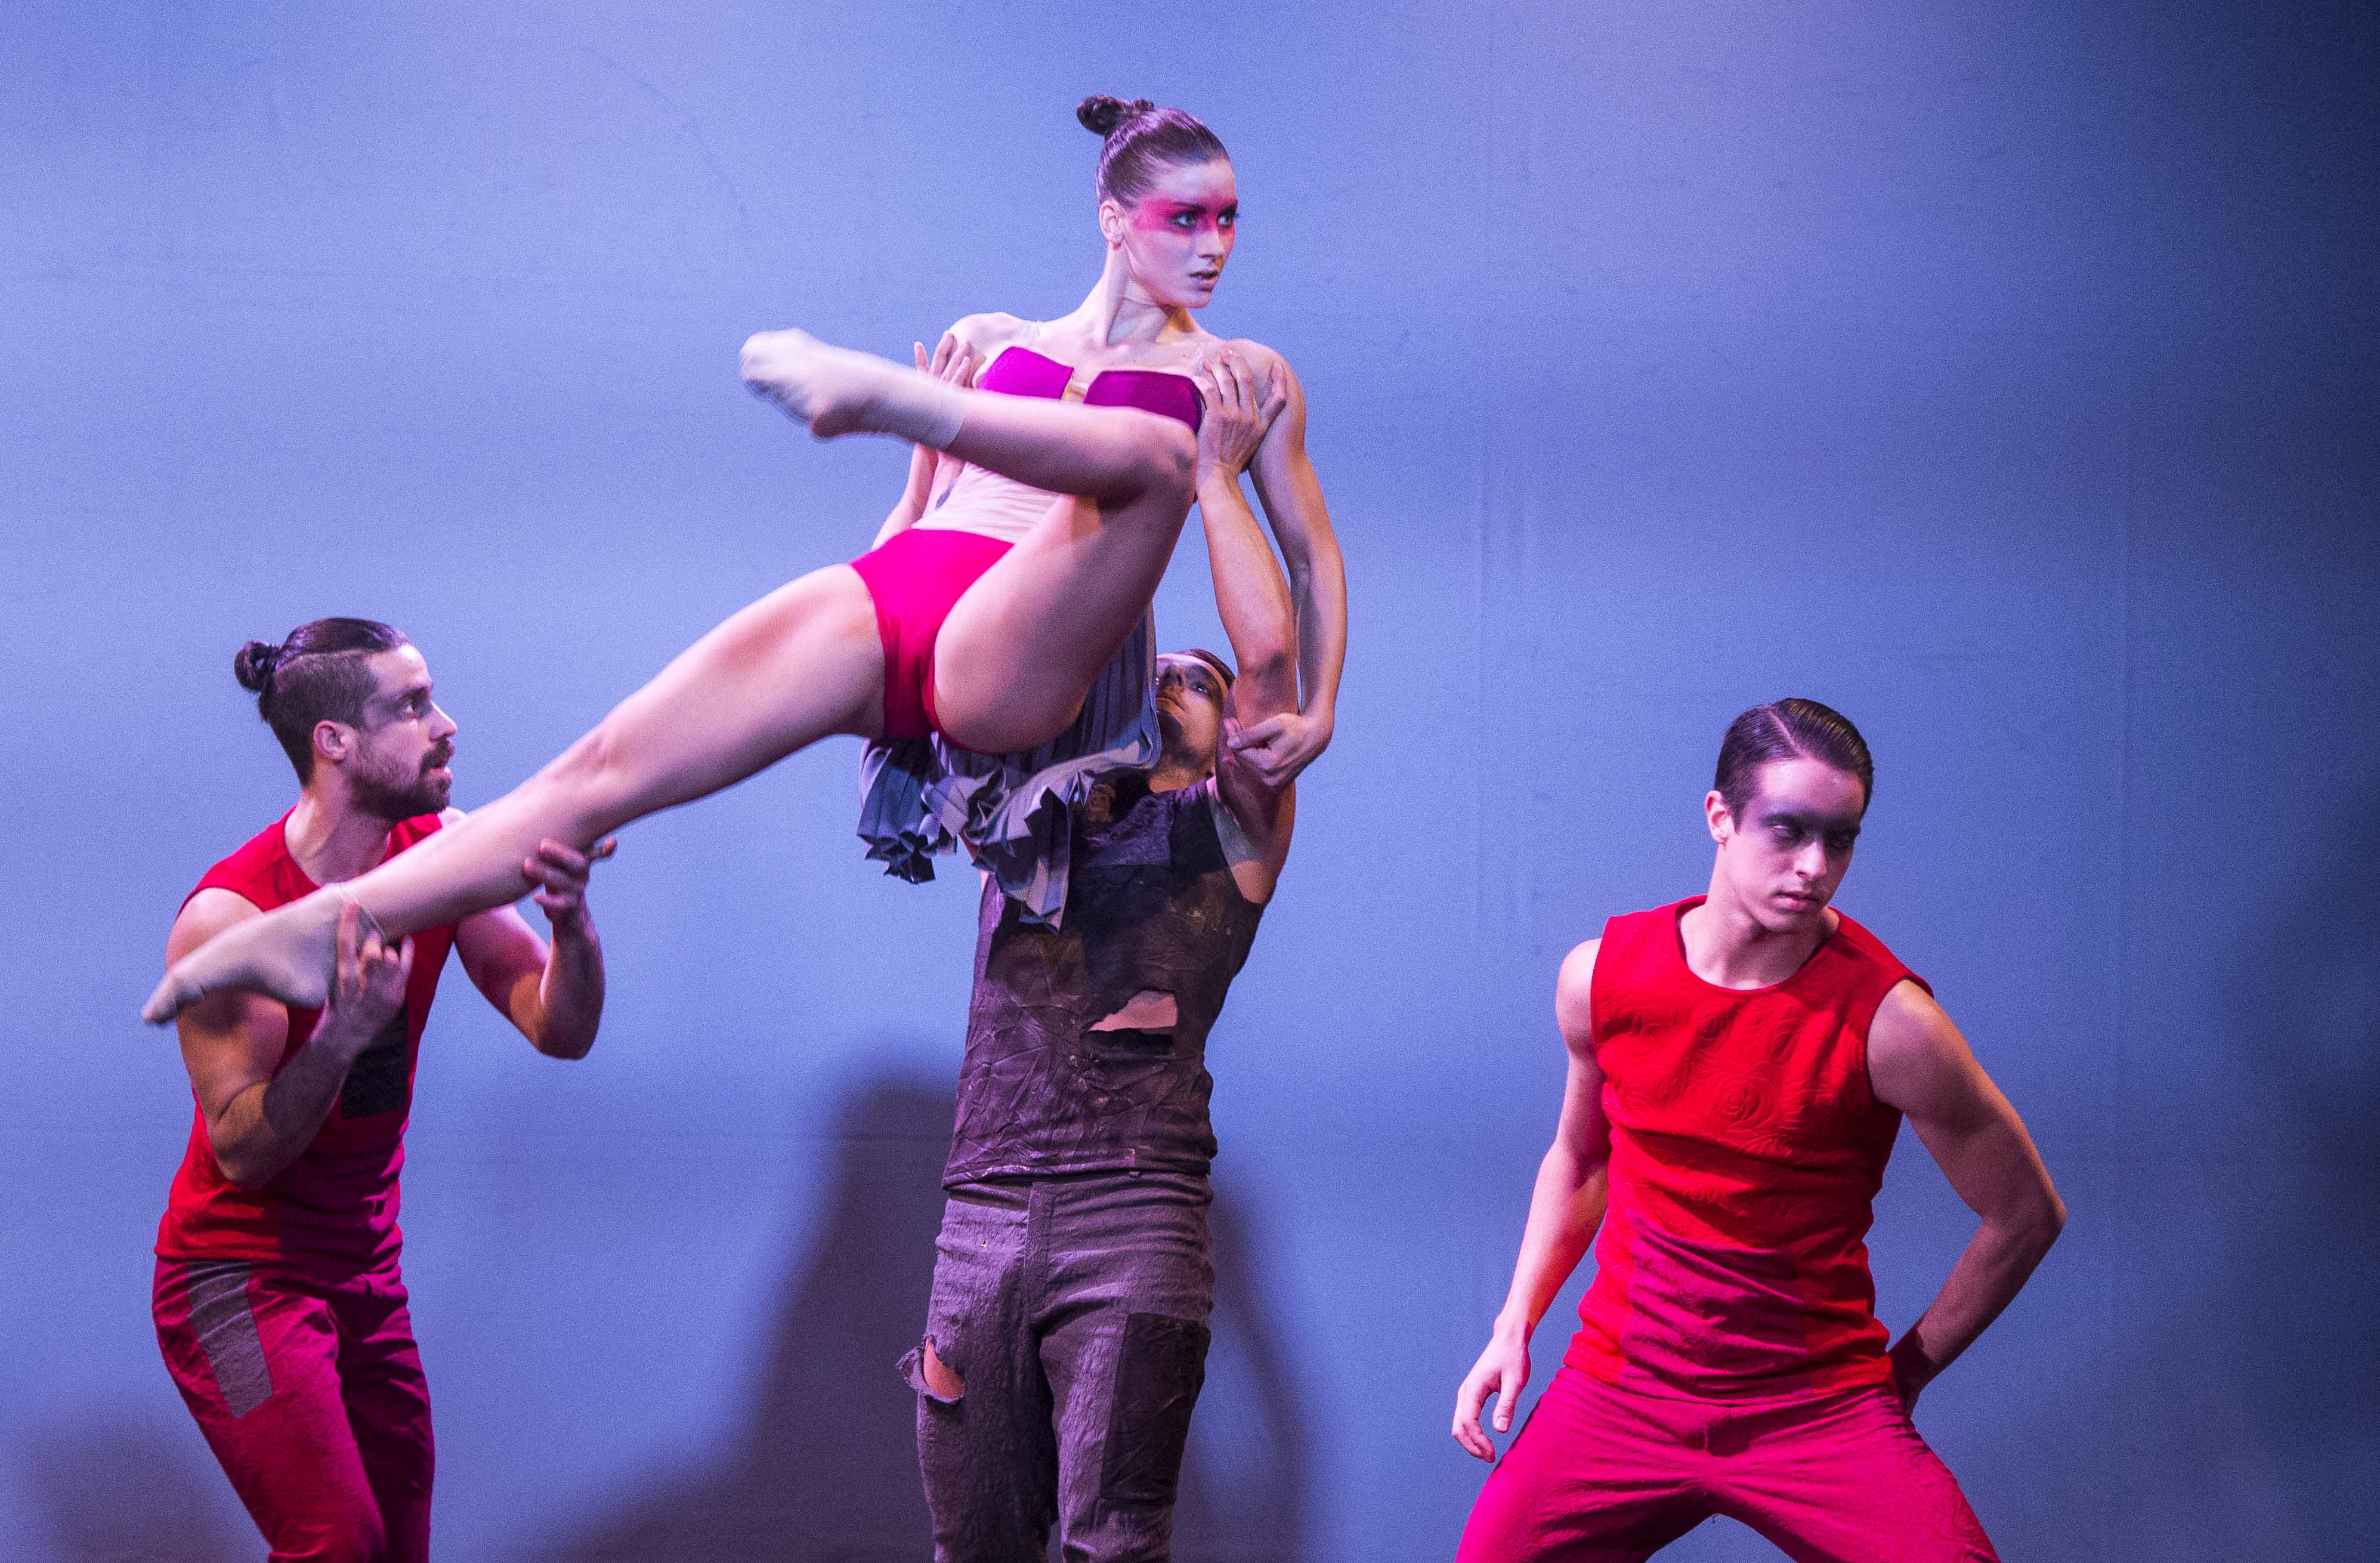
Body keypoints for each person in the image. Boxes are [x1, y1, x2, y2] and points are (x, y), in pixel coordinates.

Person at [142, 92, 1344, 1025]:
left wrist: (1321, 704)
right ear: (1113, 217)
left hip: (1011, 660)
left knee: (1152, 458)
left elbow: (1308, 568)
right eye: (1186, 217)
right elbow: (913, 533)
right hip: (902, 599)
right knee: (597, 770)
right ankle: (318, 930)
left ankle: (875, 397)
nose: (1215, 244)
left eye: (1229, 218)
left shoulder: (1236, 378)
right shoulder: (993, 339)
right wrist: (916, 480)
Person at [1451, 700, 2066, 1563]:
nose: (1814, 867)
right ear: (1720, 817)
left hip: (1815, 1409)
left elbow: (2026, 1215)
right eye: (1788, 830)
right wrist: (1514, 1323)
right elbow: (1582, 1159)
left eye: (1840, 840)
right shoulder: (1601, 977)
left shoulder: (1893, 1024)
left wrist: (1908, 1373)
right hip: (1623, 1391)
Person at [903, 353, 1297, 1562]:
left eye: (1191, 678)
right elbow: (925, 656)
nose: (1164, 676)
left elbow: (1270, 669)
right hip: (982, 1210)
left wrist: (1211, 477)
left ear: (1225, 731)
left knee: (1111, 1545)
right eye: (1151, 668)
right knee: (972, 1545)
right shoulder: (1027, 821)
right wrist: (932, 469)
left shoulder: (1226, 833)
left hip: (1131, 1209)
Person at [153, 619, 611, 1563]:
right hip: (235, 1281)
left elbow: (558, 1029)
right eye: (411, 707)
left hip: (365, 1274)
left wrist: (572, 926)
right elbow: (242, 1151)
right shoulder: (234, 919)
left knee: (397, 1550)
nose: (446, 725)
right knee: (338, 1546)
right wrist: (343, 1035)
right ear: (335, 742)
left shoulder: (437, 855)